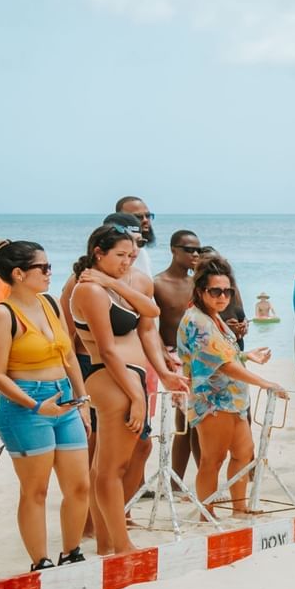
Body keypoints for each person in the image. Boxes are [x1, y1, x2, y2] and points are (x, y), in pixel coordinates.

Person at [72, 224, 181, 554]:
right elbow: (105, 349)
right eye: (119, 255)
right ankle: (121, 544)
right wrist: (135, 395)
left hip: (133, 375)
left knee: (115, 464)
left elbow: (152, 314)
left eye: (131, 255)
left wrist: (162, 373)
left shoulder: (126, 280)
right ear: (98, 253)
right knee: (110, 469)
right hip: (110, 376)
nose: (126, 261)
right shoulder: (88, 289)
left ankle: (107, 544)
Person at [0, 239, 91, 570]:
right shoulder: (2, 315)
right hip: (25, 406)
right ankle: (40, 561)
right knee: (37, 490)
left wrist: (82, 398)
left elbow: (69, 353)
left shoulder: (50, 304)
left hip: (65, 398)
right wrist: (35, 405)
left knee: (79, 485)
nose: (49, 272)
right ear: (18, 273)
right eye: (42, 267)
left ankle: (71, 552)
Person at [179, 258, 284, 516]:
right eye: (215, 291)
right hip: (212, 402)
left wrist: (249, 357)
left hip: (234, 400)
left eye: (227, 291)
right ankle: (208, 514)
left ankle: (239, 509)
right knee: (212, 460)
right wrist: (265, 382)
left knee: (243, 454)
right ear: (201, 291)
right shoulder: (197, 321)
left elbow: (227, 354)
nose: (222, 296)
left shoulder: (215, 318)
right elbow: (222, 364)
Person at [151, 230, 205, 480]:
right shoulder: (157, 283)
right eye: (189, 249)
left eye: (198, 250)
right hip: (175, 358)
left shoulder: (199, 283)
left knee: (196, 422)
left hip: (202, 357)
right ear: (173, 250)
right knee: (186, 422)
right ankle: (177, 481)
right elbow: (150, 325)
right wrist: (163, 356)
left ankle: (198, 479)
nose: (195, 254)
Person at [114, 196, 156, 275]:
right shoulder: (111, 251)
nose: (145, 220)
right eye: (138, 217)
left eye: (147, 216)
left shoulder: (141, 252)